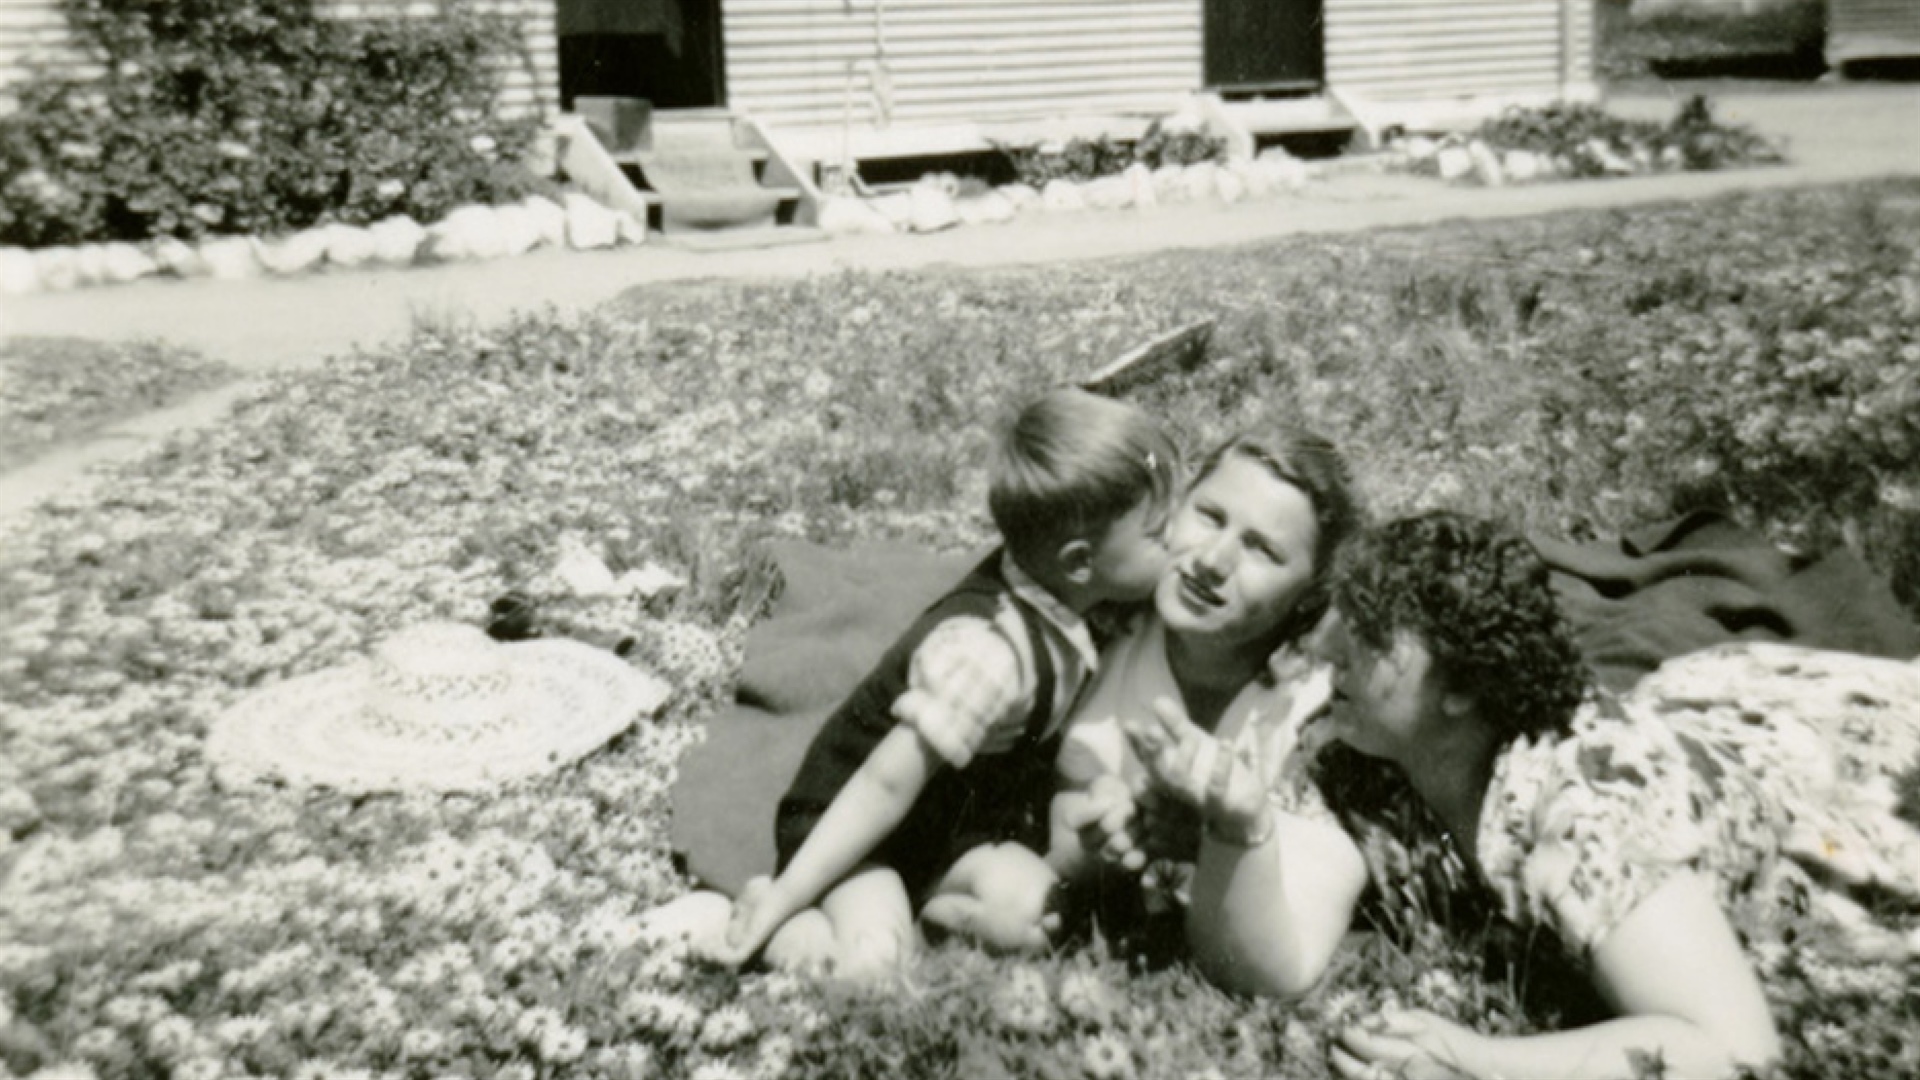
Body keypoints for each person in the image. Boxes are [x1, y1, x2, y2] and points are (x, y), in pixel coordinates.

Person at [1132, 511, 1920, 1080]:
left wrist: (1482, 1059)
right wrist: (1239, 831)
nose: (1325, 645)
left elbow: (1731, 1047)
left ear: (1463, 688)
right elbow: (1275, 966)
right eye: (1342, 614)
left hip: (1840, 790)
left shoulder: (1588, 806)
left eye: (1369, 634)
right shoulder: (1355, 750)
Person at [701, 387, 1182, 979]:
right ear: (1081, 562)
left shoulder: (1067, 583)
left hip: (946, 832)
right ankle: (792, 917)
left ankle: (931, 911)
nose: (1181, 541)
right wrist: (790, 892)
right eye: (1162, 536)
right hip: (856, 831)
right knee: (875, 967)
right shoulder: (987, 656)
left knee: (1040, 912)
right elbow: (883, 784)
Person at [911, 428, 1365, 957]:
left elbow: (1304, 883)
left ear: (1311, 593)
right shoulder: (1107, 627)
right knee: (1018, 901)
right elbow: (1057, 817)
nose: (1213, 560)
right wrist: (1096, 840)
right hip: (1065, 872)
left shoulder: (1311, 706)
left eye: (1262, 549)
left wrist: (1207, 841)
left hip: (1237, 928)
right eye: (1210, 516)